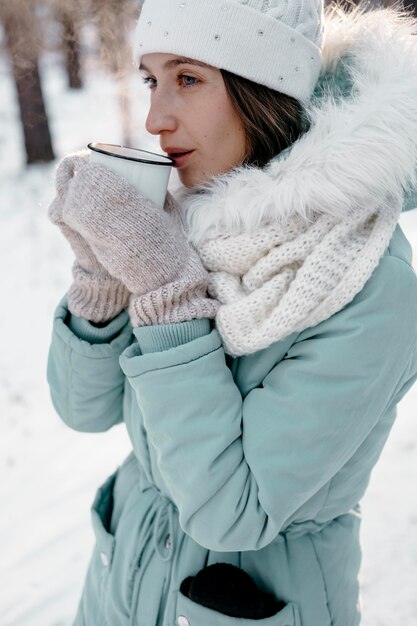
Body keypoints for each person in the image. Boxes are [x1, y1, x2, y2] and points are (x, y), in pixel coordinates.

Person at [46, 0, 417, 624]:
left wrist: (169, 302)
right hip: (122, 586)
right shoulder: (191, 218)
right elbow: (83, 408)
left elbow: (232, 511)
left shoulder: (372, 285)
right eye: (151, 80)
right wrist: (100, 281)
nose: (156, 117)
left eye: (187, 79)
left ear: (263, 91)